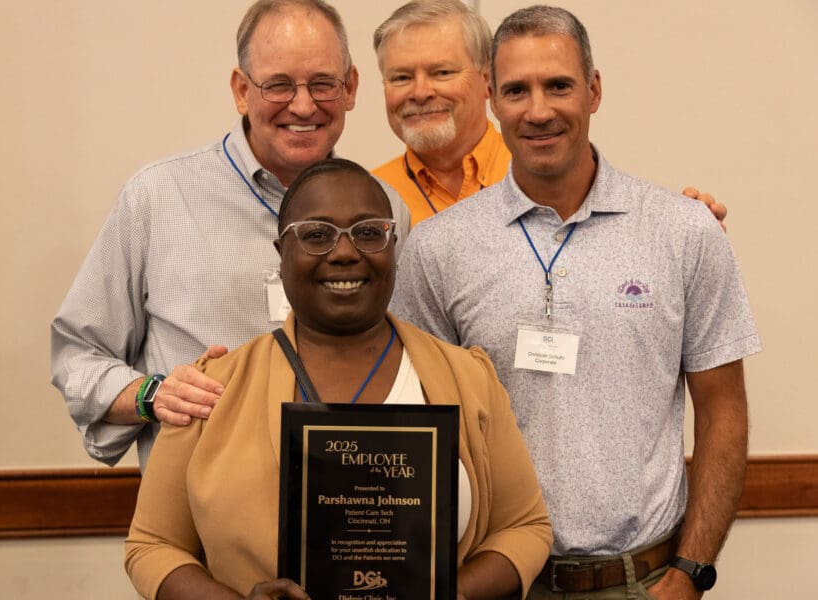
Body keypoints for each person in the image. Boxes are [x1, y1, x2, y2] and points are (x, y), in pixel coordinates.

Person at [390, 6, 761, 599]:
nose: (538, 111)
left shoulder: (682, 231)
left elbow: (724, 411)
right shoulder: (438, 249)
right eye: (517, 90)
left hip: (643, 580)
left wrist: (691, 574)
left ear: (594, 90)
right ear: (491, 97)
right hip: (496, 581)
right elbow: (414, 427)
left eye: (558, 85)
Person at [124, 158, 553, 600]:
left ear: (392, 246)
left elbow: (524, 527)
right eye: (316, 234)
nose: (345, 251)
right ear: (281, 253)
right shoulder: (211, 388)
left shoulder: (467, 378)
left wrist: (449, 594)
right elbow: (153, 545)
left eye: (368, 232)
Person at [50, 0, 411, 468]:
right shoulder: (158, 197)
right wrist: (153, 394)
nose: (304, 105)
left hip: (349, 495)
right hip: (199, 502)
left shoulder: (386, 213)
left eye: (323, 83)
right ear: (242, 91)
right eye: (278, 85)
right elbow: (77, 354)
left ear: (351, 88)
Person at [370, 0, 727, 228]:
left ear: (486, 82)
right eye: (401, 77)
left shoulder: (547, 163)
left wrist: (683, 232)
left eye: (442, 72)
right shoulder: (367, 198)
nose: (420, 92)